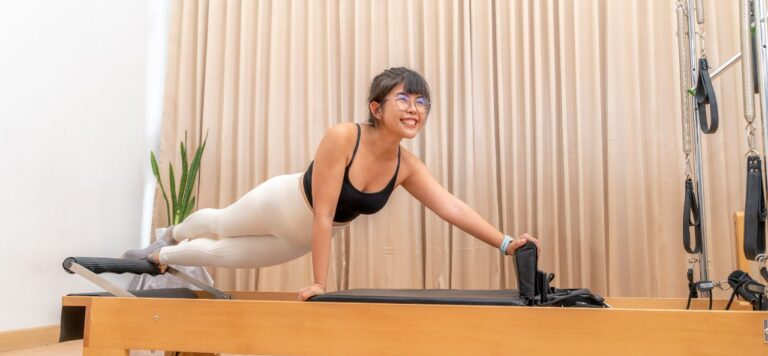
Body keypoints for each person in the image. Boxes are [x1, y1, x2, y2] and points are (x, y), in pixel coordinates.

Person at [133, 67, 540, 300]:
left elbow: (451, 206)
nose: (414, 109)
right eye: (404, 99)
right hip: (284, 204)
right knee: (221, 224)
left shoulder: (407, 167)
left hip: (301, 237)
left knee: (220, 256)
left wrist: (506, 243)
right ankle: (169, 232)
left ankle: (163, 254)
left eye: (422, 102)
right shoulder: (344, 136)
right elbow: (324, 213)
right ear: (376, 108)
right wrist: (320, 284)